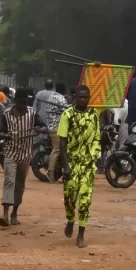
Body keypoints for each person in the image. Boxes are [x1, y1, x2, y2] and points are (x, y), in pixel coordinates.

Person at [58, 84, 103, 248]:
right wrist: (65, 165)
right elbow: (62, 141)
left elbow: (97, 137)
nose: (83, 99)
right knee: (69, 197)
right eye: (80, 97)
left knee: (85, 200)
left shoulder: (94, 115)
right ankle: (70, 219)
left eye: (86, 97)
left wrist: (95, 158)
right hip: (71, 162)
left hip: (88, 164)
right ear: (74, 98)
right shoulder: (67, 115)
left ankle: (81, 233)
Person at [0, 88, 46, 227]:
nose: (23, 106)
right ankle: (5, 214)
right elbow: (0, 132)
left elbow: (44, 127)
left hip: (25, 154)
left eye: (25, 103)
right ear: (15, 101)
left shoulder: (32, 113)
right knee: (9, 181)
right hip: (10, 152)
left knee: (20, 184)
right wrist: (5, 135)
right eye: (20, 103)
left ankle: (14, 212)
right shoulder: (6, 114)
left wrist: (39, 129)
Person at [45, 82, 69, 183]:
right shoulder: (61, 98)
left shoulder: (51, 96)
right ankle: (50, 173)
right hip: (57, 127)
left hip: (50, 125)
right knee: (57, 149)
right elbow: (66, 111)